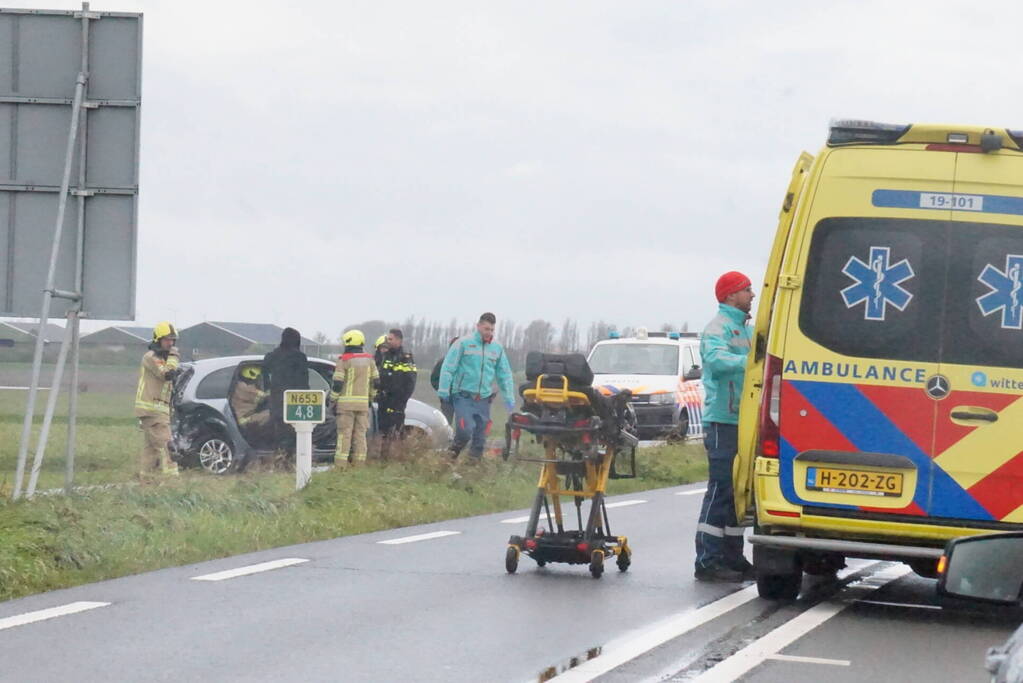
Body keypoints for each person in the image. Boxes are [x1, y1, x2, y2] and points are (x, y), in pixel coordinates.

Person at [694, 272, 756, 582]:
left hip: (743, 420)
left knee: (737, 491)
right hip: (722, 420)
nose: (752, 295)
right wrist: (752, 361)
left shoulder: (744, 330)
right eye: (747, 290)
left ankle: (733, 556)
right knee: (720, 489)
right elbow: (717, 363)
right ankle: (706, 559)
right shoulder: (717, 329)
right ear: (731, 295)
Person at [437, 313, 515, 461]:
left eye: (492, 330)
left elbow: (504, 374)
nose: (489, 333)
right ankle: (449, 457)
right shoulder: (463, 343)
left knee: (480, 437)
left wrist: (509, 398)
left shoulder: (497, 348)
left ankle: (471, 470)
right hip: (463, 396)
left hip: (483, 399)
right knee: (465, 431)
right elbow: (448, 367)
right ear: (478, 326)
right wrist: (444, 389)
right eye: (486, 329)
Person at [134, 322, 182, 476]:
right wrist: (174, 356)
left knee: (151, 450)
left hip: (156, 411)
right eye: (167, 339)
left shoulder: (163, 359)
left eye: (173, 340)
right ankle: (172, 482)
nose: (171, 343)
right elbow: (167, 374)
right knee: (169, 447)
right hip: (153, 410)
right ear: (158, 339)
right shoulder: (151, 357)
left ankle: (147, 481)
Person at [332, 329, 379, 467]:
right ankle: (359, 465)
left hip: (346, 407)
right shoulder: (370, 360)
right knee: (360, 435)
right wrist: (371, 397)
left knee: (344, 435)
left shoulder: (344, 360)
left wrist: (333, 400)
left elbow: (337, 383)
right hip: (363, 405)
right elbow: (376, 382)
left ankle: (340, 466)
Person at [263, 327, 309, 454]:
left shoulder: (271, 356)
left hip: (276, 401)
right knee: (294, 433)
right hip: (295, 402)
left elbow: (264, 374)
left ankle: (279, 457)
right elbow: (304, 382)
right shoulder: (299, 357)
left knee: (279, 432)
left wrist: (268, 390)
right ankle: (291, 458)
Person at [376, 329, 417, 458]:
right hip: (384, 400)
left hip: (397, 401)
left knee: (396, 431)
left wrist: (401, 401)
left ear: (399, 340)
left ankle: (397, 457)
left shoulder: (405, 357)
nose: (388, 341)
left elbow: (410, 381)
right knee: (383, 430)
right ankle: (383, 458)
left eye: (391, 339)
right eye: (388, 339)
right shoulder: (386, 356)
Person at [231, 365, 271, 442]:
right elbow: (263, 396)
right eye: (257, 378)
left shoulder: (240, 385)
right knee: (273, 414)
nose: (257, 380)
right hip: (245, 419)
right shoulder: (244, 388)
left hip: (247, 415)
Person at [431, 337, 460, 424]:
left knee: (463, 423)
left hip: (462, 397)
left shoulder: (467, 363)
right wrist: (442, 390)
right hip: (447, 398)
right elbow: (434, 379)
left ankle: (460, 437)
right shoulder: (443, 362)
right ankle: (446, 437)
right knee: (446, 421)